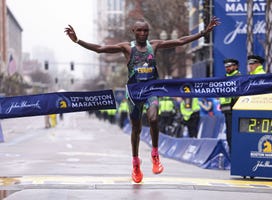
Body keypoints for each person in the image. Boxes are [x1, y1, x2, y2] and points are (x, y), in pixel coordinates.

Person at [64, 17, 220, 183]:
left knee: (153, 118)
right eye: (139, 30)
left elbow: (180, 41)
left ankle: (155, 153)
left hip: (151, 90)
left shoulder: (154, 46)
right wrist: (77, 40)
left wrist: (203, 33)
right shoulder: (126, 48)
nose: (143, 33)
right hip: (133, 94)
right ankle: (136, 163)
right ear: (133, 31)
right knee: (136, 130)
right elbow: (101, 49)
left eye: (145, 30)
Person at [219, 58, 241, 152]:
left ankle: (236, 159)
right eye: (226, 66)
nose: (227, 68)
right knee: (229, 137)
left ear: (236, 66)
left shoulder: (239, 77)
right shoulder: (224, 78)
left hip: (236, 110)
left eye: (230, 66)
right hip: (227, 112)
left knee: (235, 137)